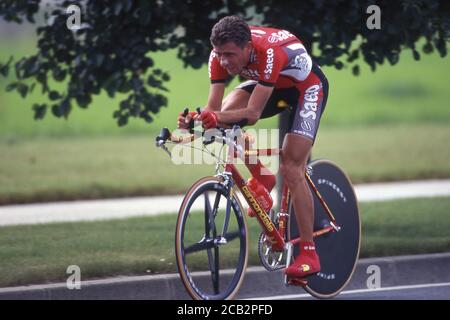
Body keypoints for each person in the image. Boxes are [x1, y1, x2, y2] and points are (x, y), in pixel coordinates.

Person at [177, 16, 329, 280]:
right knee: (225, 114)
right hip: (269, 84)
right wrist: (195, 121)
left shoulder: (267, 51)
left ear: (248, 47)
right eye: (219, 54)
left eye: (230, 55)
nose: (224, 61)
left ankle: (309, 253)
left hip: (305, 88)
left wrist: (214, 118)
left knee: (292, 168)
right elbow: (214, 113)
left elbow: (253, 113)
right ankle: (264, 177)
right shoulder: (218, 57)